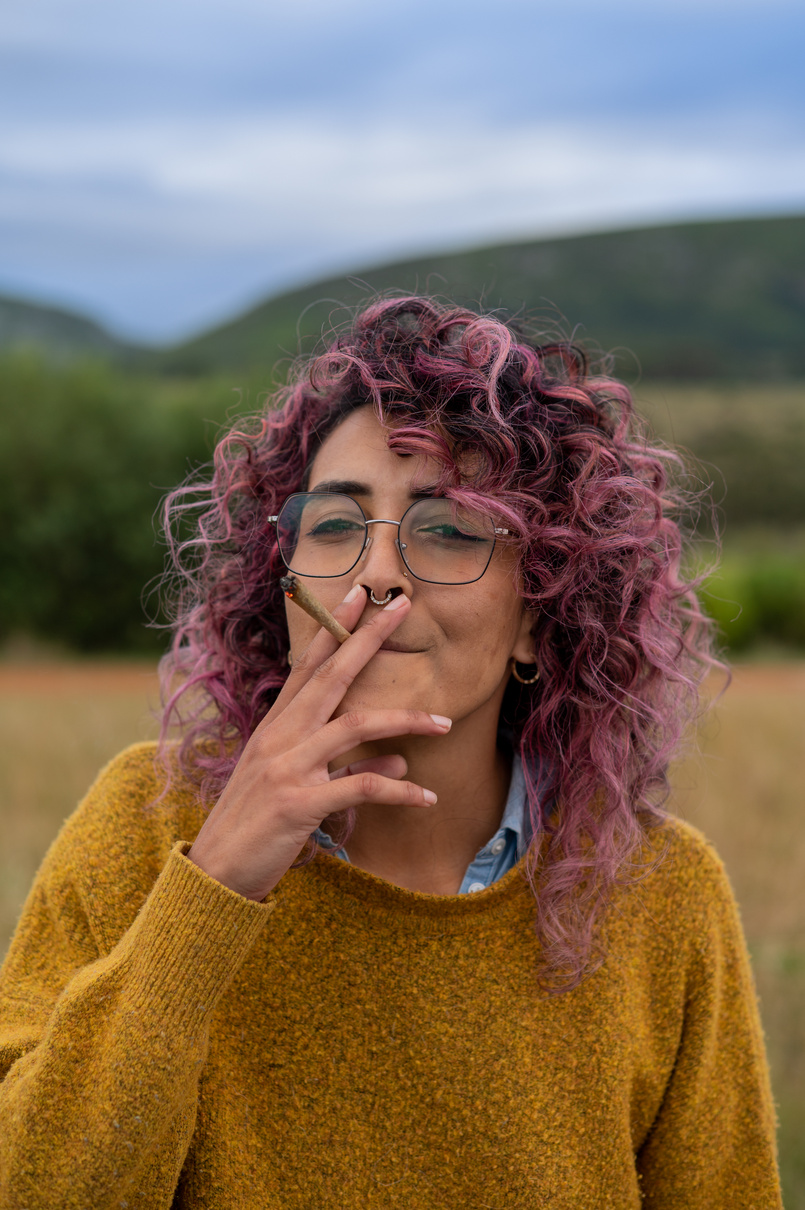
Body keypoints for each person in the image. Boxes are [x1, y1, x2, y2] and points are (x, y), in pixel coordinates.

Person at [0, 296, 781, 1208]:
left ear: (539, 614)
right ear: (283, 584)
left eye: (446, 529)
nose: (376, 574)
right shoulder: (147, 820)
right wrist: (212, 887)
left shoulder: (661, 892)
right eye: (335, 524)